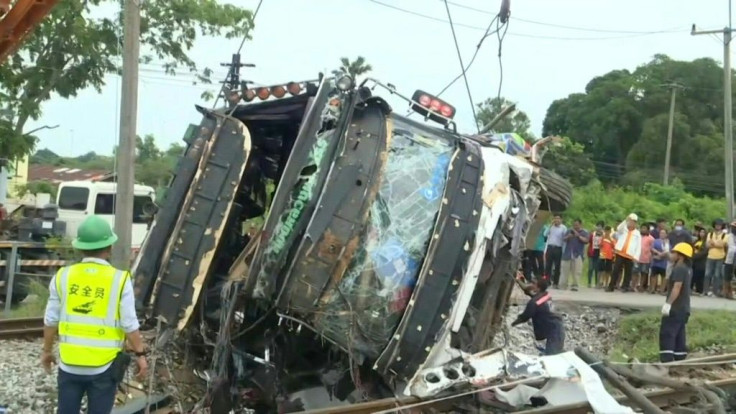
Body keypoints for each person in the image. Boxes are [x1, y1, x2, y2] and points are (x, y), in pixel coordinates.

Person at [41, 215, 148, 414]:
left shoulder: (63, 276)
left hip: (69, 364)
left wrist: (47, 351)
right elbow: (129, 324)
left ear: (80, 247)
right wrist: (141, 355)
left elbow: (51, 320)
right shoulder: (120, 280)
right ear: (109, 247)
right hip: (104, 366)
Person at [511, 277, 565, 355]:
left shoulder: (534, 303)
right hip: (557, 327)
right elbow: (528, 291)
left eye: (534, 284)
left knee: (552, 356)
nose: (531, 285)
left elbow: (525, 317)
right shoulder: (546, 295)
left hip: (554, 331)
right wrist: (518, 281)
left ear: (538, 287)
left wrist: (512, 324)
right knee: (555, 353)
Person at [659, 242, 693, 363]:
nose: (671, 254)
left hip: (676, 308)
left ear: (681, 256)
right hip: (684, 309)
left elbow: (676, 287)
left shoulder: (679, 268)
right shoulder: (687, 269)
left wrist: (668, 304)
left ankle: (666, 360)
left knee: (667, 333)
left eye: (674, 252)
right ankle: (680, 358)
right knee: (679, 334)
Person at [607, 213, 642, 292]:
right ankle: (611, 286)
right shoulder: (624, 229)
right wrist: (626, 220)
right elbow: (618, 228)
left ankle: (625, 287)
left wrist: (636, 256)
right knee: (616, 270)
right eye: (630, 221)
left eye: (633, 222)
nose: (631, 223)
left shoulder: (637, 233)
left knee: (628, 272)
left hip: (630, 255)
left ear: (635, 224)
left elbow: (638, 246)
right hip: (620, 253)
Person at [560, 219, 588, 291]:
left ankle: (575, 285)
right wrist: (569, 236)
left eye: (577, 225)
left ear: (580, 225)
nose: (575, 226)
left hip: (578, 254)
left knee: (576, 271)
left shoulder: (584, 232)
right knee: (564, 270)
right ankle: (563, 285)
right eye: (574, 225)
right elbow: (564, 239)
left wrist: (578, 236)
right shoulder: (569, 230)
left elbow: (586, 241)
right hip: (568, 253)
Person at [704, 219, 727, 297]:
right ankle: (705, 291)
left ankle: (715, 292)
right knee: (707, 274)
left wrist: (713, 243)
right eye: (717, 224)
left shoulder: (724, 235)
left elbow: (722, 245)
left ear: (722, 226)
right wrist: (716, 244)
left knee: (717, 275)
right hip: (710, 256)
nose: (718, 226)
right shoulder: (710, 234)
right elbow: (707, 245)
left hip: (720, 257)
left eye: (720, 225)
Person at [544, 214, 567, 288]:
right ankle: (547, 281)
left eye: (558, 218)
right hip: (550, 247)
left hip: (558, 248)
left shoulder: (563, 228)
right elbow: (545, 234)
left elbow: (565, 239)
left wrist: (564, 250)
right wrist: (550, 225)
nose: (556, 220)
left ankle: (555, 283)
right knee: (548, 266)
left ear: (561, 220)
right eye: (555, 218)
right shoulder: (551, 227)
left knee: (557, 266)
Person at [635, 224, 654, 292]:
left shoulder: (651, 238)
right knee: (635, 272)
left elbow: (652, 249)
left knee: (644, 273)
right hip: (636, 258)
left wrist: (651, 258)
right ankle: (633, 285)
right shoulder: (637, 236)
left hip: (646, 259)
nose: (643, 229)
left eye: (644, 228)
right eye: (642, 228)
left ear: (648, 230)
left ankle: (641, 286)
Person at [650, 229, 670, 294]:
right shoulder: (656, 241)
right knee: (654, 275)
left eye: (664, 233)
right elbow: (652, 248)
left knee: (664, 276)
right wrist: (658, 253)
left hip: (664, 262)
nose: (662, 234)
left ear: (666, 234)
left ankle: (662, 290)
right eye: (661, 233)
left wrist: (662, 255)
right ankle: (652, 289)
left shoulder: (668, 242)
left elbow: (669, 250)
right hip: (656, 261)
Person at [691, 228, 708, 295]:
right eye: (700, 232)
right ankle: (690, 288)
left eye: (703, 232)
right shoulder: (696, 241)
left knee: (699, 276)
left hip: (701, 261)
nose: (701, 234)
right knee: (692, 275)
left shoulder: (706, 243)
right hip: (693, 261)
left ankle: (699, 290)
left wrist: (695, 256)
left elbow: (704, 252)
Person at [587, 221, 604, 288]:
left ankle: (597, 282)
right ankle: (589, 282)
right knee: (590, 268)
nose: (599, 228)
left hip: (599, 253)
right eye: (598, 226)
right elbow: (588, 240)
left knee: (597, 268)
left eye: (600, 226)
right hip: (592, 252)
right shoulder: (592, 234)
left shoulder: (604, 235)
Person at [724, 221, 736, 300]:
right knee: (727, 276)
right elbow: (726, 246)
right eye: (732, 227)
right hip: (729, 259)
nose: (733, 229)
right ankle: (728, 292)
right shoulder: (728, 236)